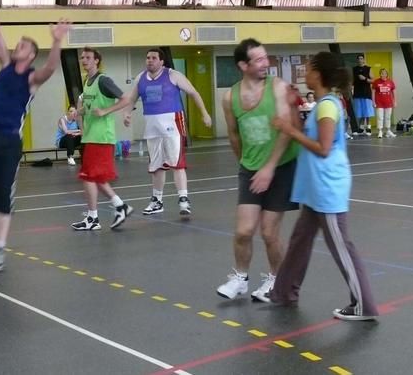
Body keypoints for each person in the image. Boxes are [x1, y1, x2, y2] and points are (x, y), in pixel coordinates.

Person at [256, 52, 379, 322]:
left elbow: (323, 148)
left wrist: (288, 130)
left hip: (327, 188)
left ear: (319, 74)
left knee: (341, 246)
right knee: (300, 240)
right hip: (314, 190)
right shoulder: (322, 104)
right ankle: (284, 292)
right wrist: (292, 107)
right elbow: (306, 134)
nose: (305, 74)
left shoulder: (327, 106)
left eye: (309, 69)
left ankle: (363, 306)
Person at [0, 11, 71, 271]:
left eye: (23, 46)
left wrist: (57, 41)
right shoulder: (4, 65)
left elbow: (51, 68)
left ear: (31, 54)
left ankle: (0, 247)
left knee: (2, 195)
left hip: (10, 142)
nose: (17, 47)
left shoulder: (32, 79)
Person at [216, 39, 298, 301]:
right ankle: (240, 278)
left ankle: (277, 280)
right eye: (259, 60)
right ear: (243, 65)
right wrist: (247, 165)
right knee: (243, 231)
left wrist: (269, 168)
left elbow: (286, 130)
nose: (266, 63)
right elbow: (233, 135)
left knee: (269, 233)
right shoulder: (230, 97)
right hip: (251, 168)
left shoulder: (278, 87)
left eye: (266, 58)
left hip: (282, 166)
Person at [124, 48, 212, 218]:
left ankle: (183, 199)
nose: (150, 60)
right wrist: (127, 113)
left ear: (161, 62)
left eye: (154, 58)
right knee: (156, 166)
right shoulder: (140, 78)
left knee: (177, 163)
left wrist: (204, 113)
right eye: (147, 57)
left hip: (173, 122)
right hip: (152, 126)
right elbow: (131, 98)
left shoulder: (173, 75)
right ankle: (157, 201)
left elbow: (193, 92)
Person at [71, 47, 133, 231]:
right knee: (95, 178)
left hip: (101, 137)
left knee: (88, 177)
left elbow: (126, 99)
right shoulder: (87, 82)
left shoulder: (103, 80)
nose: (84, 61)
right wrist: (79, 112)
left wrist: (105, 111)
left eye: (88, 57)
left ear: (96, 60)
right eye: (82, 58)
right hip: (91, 135)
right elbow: (90, 107)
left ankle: (93, 218)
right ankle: (120, 206)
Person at [352, 55, 374, 136]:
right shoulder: (354, 69)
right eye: (358, 59)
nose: (360, 60)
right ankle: (361, 128)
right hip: (357, 93)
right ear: (357, 60)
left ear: (364, 60)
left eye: (361, 58)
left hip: (366, 93)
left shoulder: (368, 68)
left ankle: (368, 128)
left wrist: (364, 78)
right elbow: (352, 81)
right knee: (359, 112)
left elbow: (372, 80)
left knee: (367, 112)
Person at [372, 68, 396, 138]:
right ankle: (380, 131)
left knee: (388, 117)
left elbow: (394, 92)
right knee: (380, 117)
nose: (383, 74)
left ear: (387, 74)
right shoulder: (376, 82)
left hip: (388, 102)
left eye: (385, 73)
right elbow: (373, 92)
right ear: (380, 74)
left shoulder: (390, 82)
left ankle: (388, 130)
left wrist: (395, 101)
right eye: (382, 73)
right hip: (379, 103)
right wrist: (373, 102)